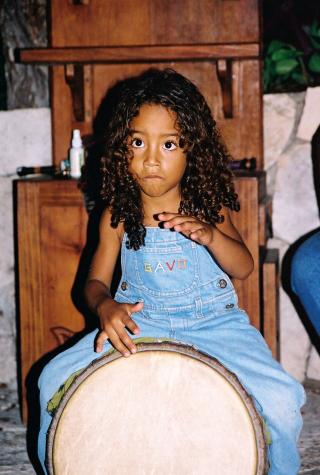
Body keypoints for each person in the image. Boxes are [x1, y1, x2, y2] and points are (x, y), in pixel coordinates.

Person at [37, 68, 305, 475]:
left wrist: (212, 236)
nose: (150, 159)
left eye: (169, 144)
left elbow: (244, 266)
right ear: (121, 148)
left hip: (215, 325)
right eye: (138, 142)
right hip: (141, 323)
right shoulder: (116, 216)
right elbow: (91, 284)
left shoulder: (207, 206)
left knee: (282, 398)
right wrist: (106, 305)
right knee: (51, 380)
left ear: (192, 149)